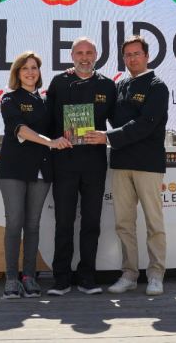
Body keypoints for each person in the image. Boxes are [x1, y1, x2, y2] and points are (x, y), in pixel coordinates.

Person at [85, 35, 169, 296]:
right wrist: (77, 79)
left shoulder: (157, 86)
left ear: (147, 56)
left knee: (154, 223)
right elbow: (103, 113)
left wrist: (108, 137)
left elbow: (146, 124)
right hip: (121, 162)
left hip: (148, 164)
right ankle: (129, 274)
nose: (132, 58)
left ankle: (156, 275)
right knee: (124, 223)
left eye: (136, 53)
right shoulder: (119, 86)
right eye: (128, 55)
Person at [0, 51, 72, 299]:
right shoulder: (9, 99)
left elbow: (61, 126)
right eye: (25, 68)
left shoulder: (45, 101)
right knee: (15, 222)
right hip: (13, 170)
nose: (31, 72)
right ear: (17, 73)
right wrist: (51, 143)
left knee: (32, 225)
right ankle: (11, 279)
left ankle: (28, 276)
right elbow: (21, 130)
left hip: (42, 169)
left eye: (35, 68)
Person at [45, 37, 117, 296]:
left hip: (95, 165)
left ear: (96, 55)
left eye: (89, 53)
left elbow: (117, 122)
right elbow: (47, 121)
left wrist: (106, 135)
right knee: (63, 222)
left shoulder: (108, 86)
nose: (84, 57)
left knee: (92, 223)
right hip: (63, 163)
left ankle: (87, 277)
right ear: (71, 56)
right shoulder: (59, 82)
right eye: (79, 53)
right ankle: (61, 279)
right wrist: (54, 140)